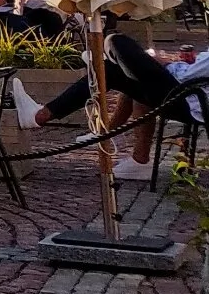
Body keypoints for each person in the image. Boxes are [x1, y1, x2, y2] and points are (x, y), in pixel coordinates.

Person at [13, 23, 200, 180]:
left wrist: (166, 62)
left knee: (116, 43)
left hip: (187, 98)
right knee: (118, 73)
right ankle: (119, 144)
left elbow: (190, 73)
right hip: (188, 94)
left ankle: (46, 116)